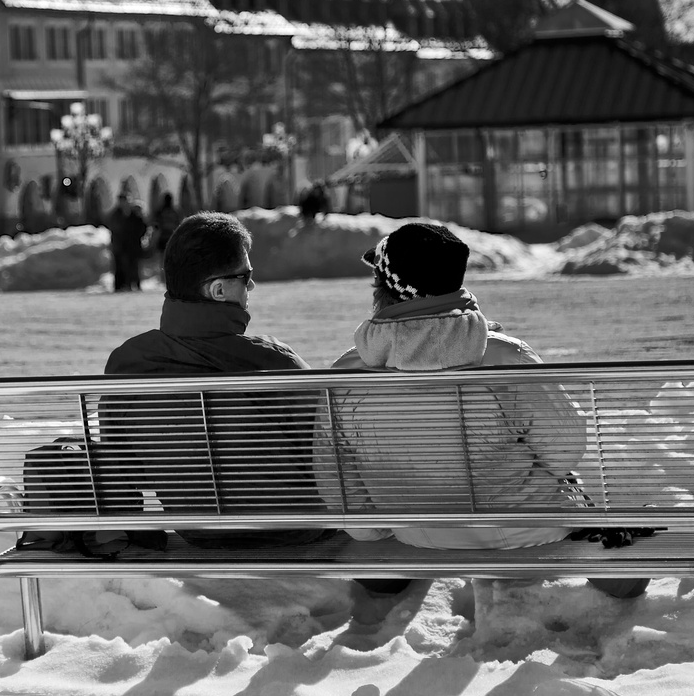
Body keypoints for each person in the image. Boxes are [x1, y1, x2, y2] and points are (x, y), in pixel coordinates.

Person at [328, 221, 648, 610]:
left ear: (384, 290)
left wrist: (377, 531)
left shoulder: (346, 373)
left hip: (416, 534)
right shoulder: (503, 357)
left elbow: (336, 485)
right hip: (526, 529)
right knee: (571, 488)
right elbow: (566, 451)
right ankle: (617, 573)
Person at [104, 211, 330, 548]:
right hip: (295, 529)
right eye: (246, 275)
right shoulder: (274, 362)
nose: (251, 285)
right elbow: (329, 462)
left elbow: (126, 469)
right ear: (219, 289)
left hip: (197, 530)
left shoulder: (129, 363)